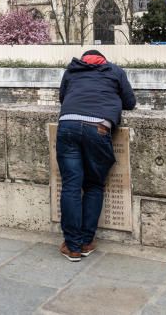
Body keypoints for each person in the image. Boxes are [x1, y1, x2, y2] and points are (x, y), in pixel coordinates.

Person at [56, 48, 136, 261]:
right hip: (98, 127)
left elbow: (62, 98)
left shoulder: (71, 71)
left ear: (83, 60)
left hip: (67, 124)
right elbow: (130, 102)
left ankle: (72, 246)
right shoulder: (115, 71)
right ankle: (85, 242)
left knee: (71, 185)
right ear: (103, 60)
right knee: (94, 185)